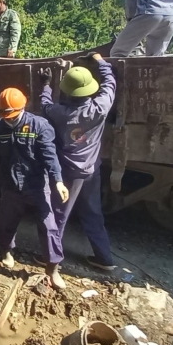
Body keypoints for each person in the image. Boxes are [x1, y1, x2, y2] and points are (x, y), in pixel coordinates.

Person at [0, 88, 70, 289]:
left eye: (12, 115)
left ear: (23, 108)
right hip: (10, 185)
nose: (8, 119)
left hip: (36, 185)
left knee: (49, 226)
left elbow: (50, 155)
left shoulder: (39, 126)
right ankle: (6, 252)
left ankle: (52, 269)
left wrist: (58, 180)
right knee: (6, 222)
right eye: (4, 115)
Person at [40, 53, 117, 272]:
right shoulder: (99, 107)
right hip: (91, 170)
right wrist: (100, 61)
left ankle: (50, 258)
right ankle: (105, 258)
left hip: (69, 173)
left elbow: (45, 105)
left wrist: (45, 85)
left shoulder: (59, 112)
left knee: (59, 214)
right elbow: (110, 83)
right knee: (93, 212)